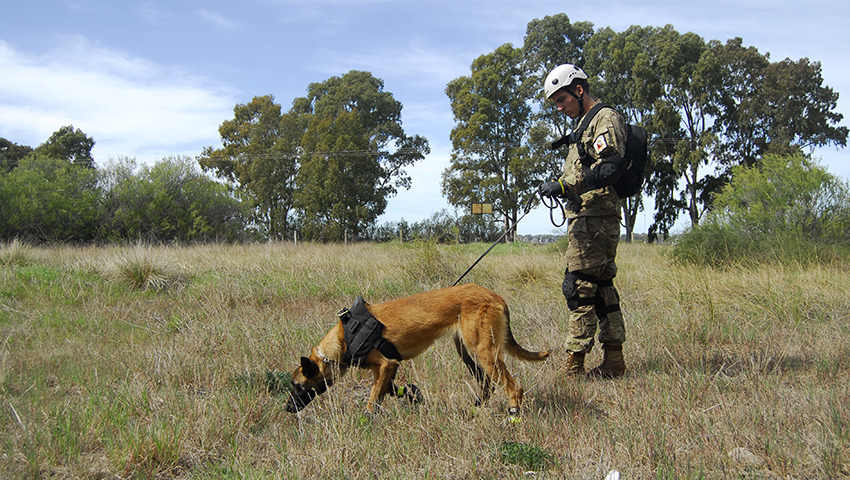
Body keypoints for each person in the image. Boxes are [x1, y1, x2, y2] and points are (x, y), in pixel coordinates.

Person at [538, 64, 628, 379]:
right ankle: (614, 360)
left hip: (595, 219)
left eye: (562, 100)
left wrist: (565, 186)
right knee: (602, 288)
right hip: (589, 216)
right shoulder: (584, 125)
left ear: (579, 90)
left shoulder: (604, 119)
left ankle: (574, 365)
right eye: (555, 103)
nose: (560, 108)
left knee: (578, 287)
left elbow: (610, 168)